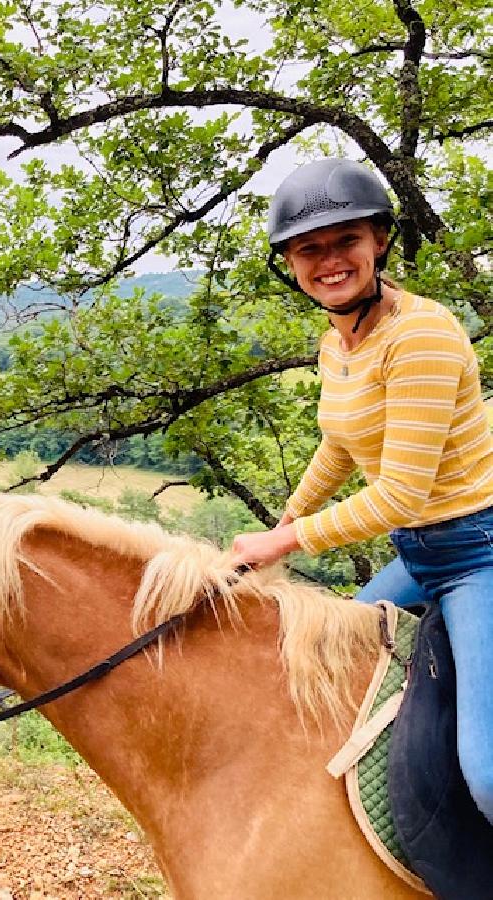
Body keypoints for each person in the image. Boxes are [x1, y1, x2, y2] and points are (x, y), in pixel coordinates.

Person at [229, 158, 493, 825]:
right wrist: (288, 519)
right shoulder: (339, 341)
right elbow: (341, 444)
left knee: (487, 772)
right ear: (289, 263)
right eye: (308, 249)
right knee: (336, 668)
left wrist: (282, 540)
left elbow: (401, 494)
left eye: (345, 241)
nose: (329, 261)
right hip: (422, 555)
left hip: (478, 552)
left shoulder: (421, 335)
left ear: (379, 240)